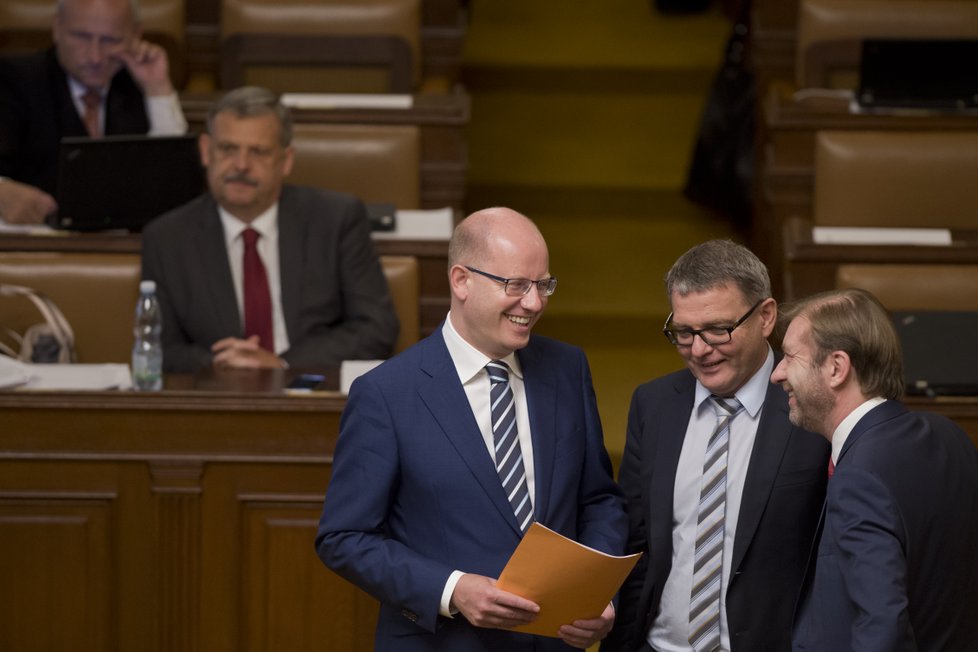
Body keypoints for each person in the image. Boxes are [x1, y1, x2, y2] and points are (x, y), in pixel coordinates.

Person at [315, 207, 628, 651]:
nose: (534, 303)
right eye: (515, 285)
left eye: (543, 285)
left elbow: (598, 500)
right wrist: (451, 589)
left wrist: (599, 595)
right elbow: (344, 537)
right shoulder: (386, 394)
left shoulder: (567, 369)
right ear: (461, 280)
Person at [603, 239, 830, 652]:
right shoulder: (653, 405)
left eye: (718, 330)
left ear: (765, 317)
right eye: (684, 332)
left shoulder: (814, 409)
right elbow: (637, 545)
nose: (700, 350)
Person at [771, 288, 978, 651]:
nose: (777, 374)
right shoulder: (950, 437)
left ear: (836, 368)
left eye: (789, 357)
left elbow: (882, 625)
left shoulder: (859, 476)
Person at [141, 86, 398, 372]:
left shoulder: (335, 220)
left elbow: (376, 328)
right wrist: (220, 362)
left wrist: (282, 363)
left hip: (310, 390)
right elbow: (159, 347)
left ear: (286, 160)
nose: (240, 165)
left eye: (258, 152)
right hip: (217, 399)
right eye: (228, 149)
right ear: (205, 150)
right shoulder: (167, 238)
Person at [0, 0, 187, 224]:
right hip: (36, 245)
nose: (95, 56)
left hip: (120, 245)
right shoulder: (13, 80)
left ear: (135, 35)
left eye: (111, 40)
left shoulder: (137, 82)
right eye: (81, 37)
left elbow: (174, 182)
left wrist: (157, 90)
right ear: (57, 28)